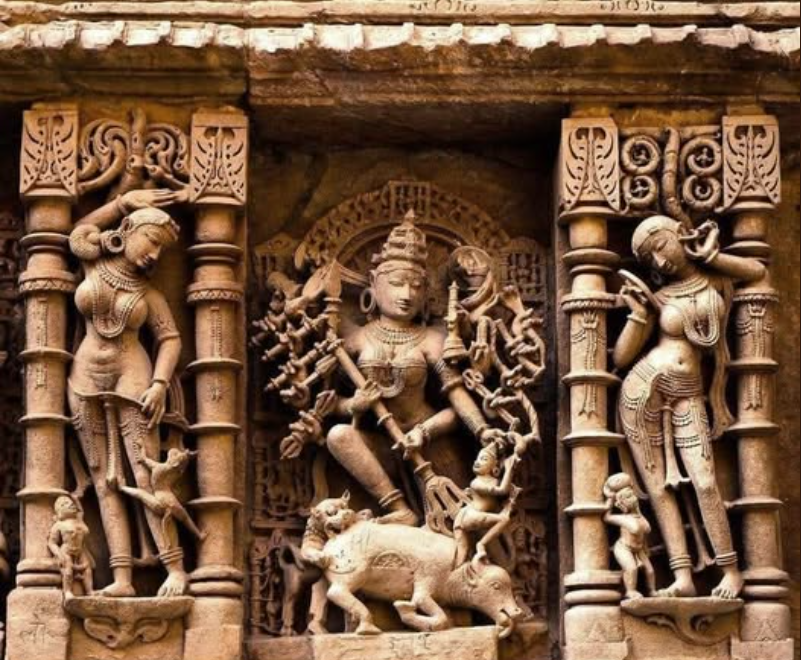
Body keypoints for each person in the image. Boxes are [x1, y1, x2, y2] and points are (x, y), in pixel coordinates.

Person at [614, 216, 765, 599]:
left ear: (679, 235)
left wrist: (710, 255)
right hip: (641, 391)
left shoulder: (715, 279)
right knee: (658, 488)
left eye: (660, 247)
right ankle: (681, 576)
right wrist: (637, 313)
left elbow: (756, 271)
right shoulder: (659, 297)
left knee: (705, 481)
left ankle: (730, 571)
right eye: (650, 259)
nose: (660, 262)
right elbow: (621, 358)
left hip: (689, 393)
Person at [68, 188, 190, 597]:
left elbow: (169, 338)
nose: (155, 254)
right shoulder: (93, 263)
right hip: (84, 376)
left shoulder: (149, 294)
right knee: (104, 479)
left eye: (161, 250)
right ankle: (121, 579)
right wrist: (123, 203)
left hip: (133, 375)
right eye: (151, 241)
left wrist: (159, 384)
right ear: (128, 231)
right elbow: (78, 233)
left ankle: (175, 569)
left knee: (146, 473)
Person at [454, 442, 521, 566]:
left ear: (494, 468)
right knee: (504, 519)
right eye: (477, 458)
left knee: (465, 554)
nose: (477, 461)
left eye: (484, 459)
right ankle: (481, 544)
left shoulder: (494, 481)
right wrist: (509, 470)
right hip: (469, 516)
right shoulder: (476, 483)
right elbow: (502, 490)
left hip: (479, 518)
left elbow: (502, 493)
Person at [603, 473, 655, 601]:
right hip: (623, 548)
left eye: (631, 495)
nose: (631, 499)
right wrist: (610, 499)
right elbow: (607, 517)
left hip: (639, 549)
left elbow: (643, 535)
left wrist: (645, 549)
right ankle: (630, 591)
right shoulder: (624, 519)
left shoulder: (641, 518)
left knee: (650, 570)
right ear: (620, 504)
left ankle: (652, 591)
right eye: (626, 498)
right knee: (631, 568)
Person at [48, 496, 93, 598]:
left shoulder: (79, 520)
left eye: (71, 503)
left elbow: (80, 511)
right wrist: (58, 554)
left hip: (81, 551)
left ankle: (90, 591)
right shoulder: (59, 524)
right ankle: (67, 591)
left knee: (87, 570)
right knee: (68, 570)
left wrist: (76, 499)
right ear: (59, 512)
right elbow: (51, 542)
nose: (70, 504)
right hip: (66, 551)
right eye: (64, 504)